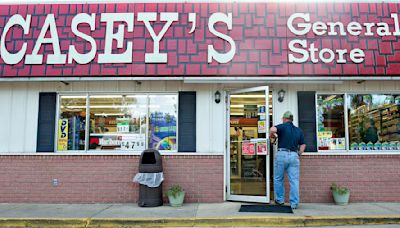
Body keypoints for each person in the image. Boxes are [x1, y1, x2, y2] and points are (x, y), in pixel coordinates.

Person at [269, 111, 306, 210]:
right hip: (294, 155)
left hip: (282, 154)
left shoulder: (283, 126)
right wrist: (299, 153)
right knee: (294, 181)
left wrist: (272, 135)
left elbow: (272, 129)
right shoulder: (298, 130)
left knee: (278, 178)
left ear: (285, 119)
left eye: (282, 119)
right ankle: (294, 204)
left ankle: (280, 200)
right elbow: (303, 145)